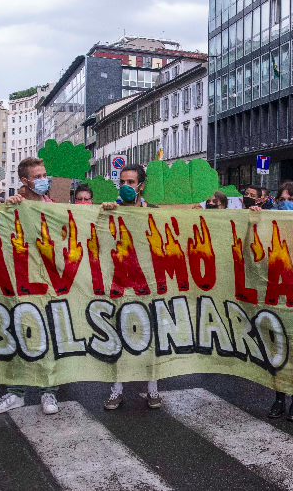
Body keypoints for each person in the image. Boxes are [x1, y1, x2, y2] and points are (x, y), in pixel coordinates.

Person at [0, 157, 61, 417]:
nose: (43, 180)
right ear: (25, 181)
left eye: (44, 175)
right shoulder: (13, 207)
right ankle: (16, 393)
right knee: (18, 335)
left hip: (48, 283)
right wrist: (7, 206)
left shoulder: (54, 207)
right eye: (37, 176)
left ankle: (47, 390)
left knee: (48, 338)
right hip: (18, 283)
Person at [101, 164, 162, 411]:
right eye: (122, 182)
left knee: (151, 339)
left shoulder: (154, 212)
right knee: (119, 338)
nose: (125, 186)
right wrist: (103, 213)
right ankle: (116, 390)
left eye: (130, 182)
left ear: (141, 186)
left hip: (148, 285)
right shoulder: (112, 211)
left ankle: (153, 390)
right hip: (120, 284)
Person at [250, 181, 293, 420]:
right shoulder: (268, 218)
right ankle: (279, 398)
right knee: (276, 348)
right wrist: (253, 219)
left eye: (291, 199)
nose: (287, 203)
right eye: (283, 199)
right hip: (273, 291)